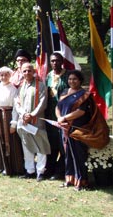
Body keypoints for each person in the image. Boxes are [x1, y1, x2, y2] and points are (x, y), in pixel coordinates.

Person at [11, 63, 50, 181]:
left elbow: (43, 103)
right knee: (26, 145)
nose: (27, 73)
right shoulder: (20, 87)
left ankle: (40, 171)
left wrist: (32, 115)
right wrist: (23, 114)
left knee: (40, 145)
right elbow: (17, 103)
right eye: (24, 71)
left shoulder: (41, 85)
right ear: (21, 72)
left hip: (37, 120)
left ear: (33, 71)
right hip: (24, 121)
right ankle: (30, 170)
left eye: (29, 70)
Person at [56, 70, 94, 191]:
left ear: (80, 81)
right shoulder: (64, 92)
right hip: (64, 129)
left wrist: (65, 118)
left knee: (78, 155)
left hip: (77, 128)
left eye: (75, 79)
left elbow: (81, 112)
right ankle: (69, 180)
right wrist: (59, 119)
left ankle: (81, 181)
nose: (72, 81)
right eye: (70, 79)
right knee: (67, 155)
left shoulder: (84, 95)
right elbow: (58, 107)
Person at [0, 66, 24, 176]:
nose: (4, 77)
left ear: (10, 75)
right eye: (2, 75)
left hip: (8, 115)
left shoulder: (13, 89)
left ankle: (11, 167)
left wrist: (14, 123)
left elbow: (16, 107)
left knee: (9, 141)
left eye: (6, 75)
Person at [45, 52, 69, 180]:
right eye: (53, 61)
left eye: (57, 60)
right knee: (52, 143)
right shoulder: (48, 76)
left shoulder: (68, 75)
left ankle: (61, 170)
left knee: (62, 143)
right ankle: (50, 168)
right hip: (50, 113)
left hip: (64, 113)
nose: (55, 63)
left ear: (62, 61)